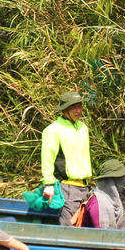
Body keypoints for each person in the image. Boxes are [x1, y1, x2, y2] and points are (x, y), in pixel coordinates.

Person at [40, 91, 93, 226]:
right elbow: (47, 158)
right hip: (67, 188)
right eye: (73, 107)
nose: (78, 110)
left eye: (80, 106)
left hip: (85, 187)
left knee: (84, 227)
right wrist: (49, 184)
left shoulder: (83, 127)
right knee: (68, 228)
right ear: (64, 110)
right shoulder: (53, 130)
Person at [83, 159, 125, 230]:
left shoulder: (115, 201)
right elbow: (102, 234)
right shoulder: (97, 203)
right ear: (112, 181)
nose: (124, 180)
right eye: (121, 177)